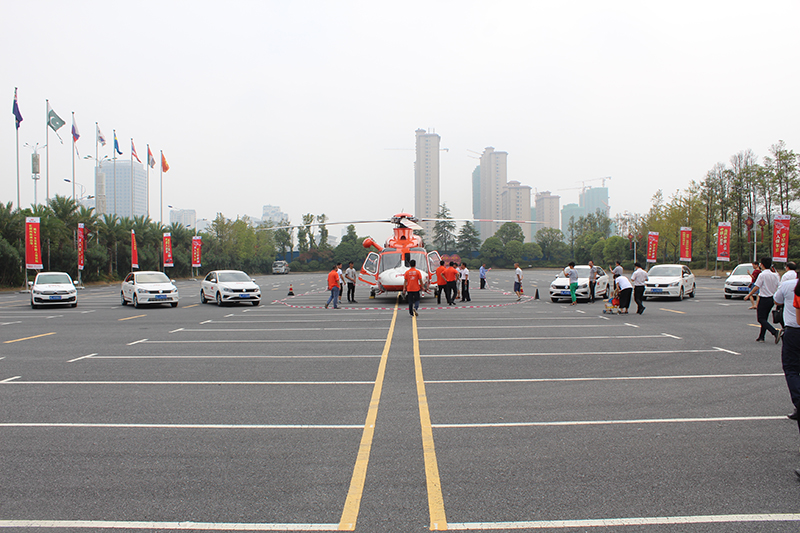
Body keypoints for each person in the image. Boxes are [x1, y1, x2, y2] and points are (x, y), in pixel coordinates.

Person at [771, 272, 800, 478]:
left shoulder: (793, 287)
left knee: (791, 369)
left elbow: (779, 302)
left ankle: (798, 401)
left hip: (794, 333)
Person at [746, 257, 780, 343]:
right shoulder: (775, 275)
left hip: (764, 298)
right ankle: (761, 336)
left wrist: (749, 295)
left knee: (761, 319)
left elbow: (757, 286)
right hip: (771, 299)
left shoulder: (762, 275)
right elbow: (779, 286)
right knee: (765, 318)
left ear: (762, 265)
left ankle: (774, 332)